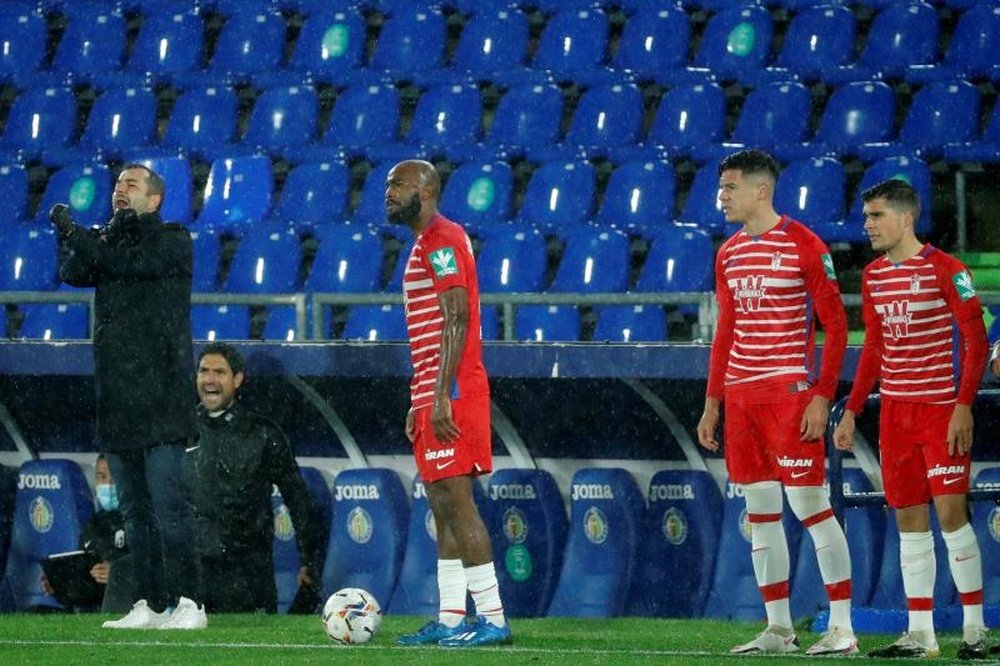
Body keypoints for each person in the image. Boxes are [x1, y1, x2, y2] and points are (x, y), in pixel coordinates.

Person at [696, 150, 856, 656]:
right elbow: (726, 332)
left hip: (788, 396)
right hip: (741, 398)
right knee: (760, 511)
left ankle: (842, 629)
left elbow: (837, 326)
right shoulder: (727, 253)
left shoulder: (805, 244)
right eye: (721, 189)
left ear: (761, 190)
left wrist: (821, 395)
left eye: (730, 187)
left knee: (811, 506)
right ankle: (778, 629)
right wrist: (712, 402)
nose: (722, 197)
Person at [833, 179, 990, 660]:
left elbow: (976, 340)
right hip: (895, 415)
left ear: (905, 219)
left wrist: (964, 405)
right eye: (865, 216)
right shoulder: (875, 275)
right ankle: (920, 635)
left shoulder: (948, 270)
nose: (867, 225)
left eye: (876, 216)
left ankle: (975, 633)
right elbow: (874, 348)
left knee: (951, 515)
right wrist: (853, 409)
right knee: (909, 521)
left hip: (940, 411)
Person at [51, 164, 205, 629]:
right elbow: (74, 270)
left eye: (131, 185)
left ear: (154, 200)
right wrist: (83, 236)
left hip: (161, 396)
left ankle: (190, 604)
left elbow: (123, 265)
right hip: (118, 399)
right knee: (135, 512)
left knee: (168, 507)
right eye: (117, 185)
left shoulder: (172, 239)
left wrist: (77, 231)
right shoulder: (108, 242)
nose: (120, 191)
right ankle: (151, 603)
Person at [388, 160, 511, 648]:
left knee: (459, 505)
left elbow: (457, 317)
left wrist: (439, 392)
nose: (389, 193)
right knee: (441, 506)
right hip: (434, 389)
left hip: (454, 390)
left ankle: (495, 618)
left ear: (427, 188)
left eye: (397, 185)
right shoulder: (424, 243)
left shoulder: (443, 238)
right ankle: (453, 617)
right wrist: (422, 394)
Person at [186, 342, 321, 614]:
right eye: (203, 371)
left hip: (247, 575)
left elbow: (297, 499)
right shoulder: (180, 431)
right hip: (192, 570)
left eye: (219, 372)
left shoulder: (262, 433)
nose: (209, 379)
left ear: (237, 379)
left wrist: (310, 561)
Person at [41, 454, 135, 614]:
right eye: (102, 477)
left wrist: (119, 575)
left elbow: (155, 569)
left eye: (115, 477)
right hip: (90, 608)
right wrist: (60, 587)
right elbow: (86, 585)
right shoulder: (94, 524)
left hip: (126, 607)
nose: (109, 484)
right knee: (36, 611)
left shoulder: (141, 520)